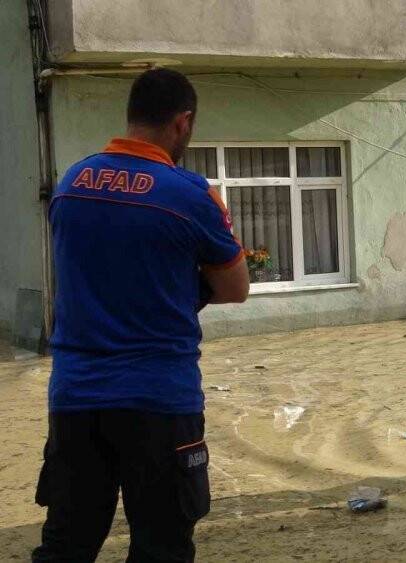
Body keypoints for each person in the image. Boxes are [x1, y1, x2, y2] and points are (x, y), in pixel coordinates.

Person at [33, 69, 249, 562]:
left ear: (130, 117)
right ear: (183, 122)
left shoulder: (71, 182)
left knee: (66, 543)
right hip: (158, 401)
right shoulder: (190, 195)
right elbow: (235, 289)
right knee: (162, 546)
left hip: (75, 397)